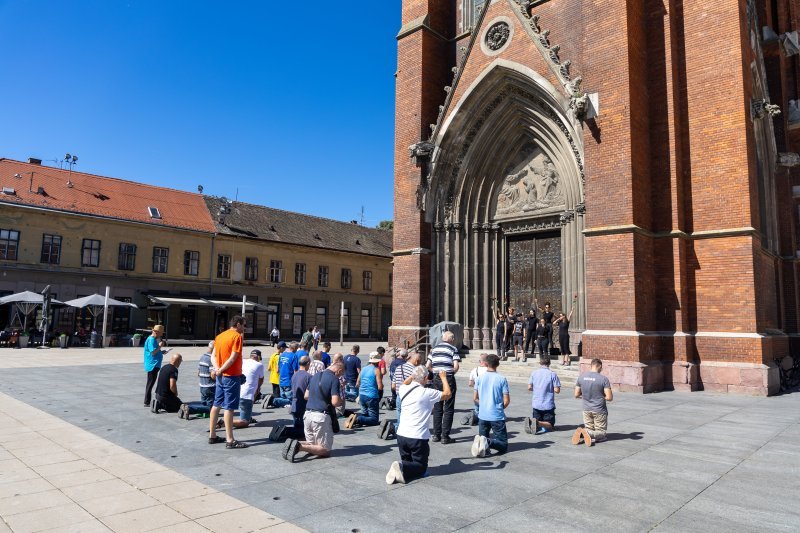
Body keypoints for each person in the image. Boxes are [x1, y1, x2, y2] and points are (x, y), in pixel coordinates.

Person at [386, 367, 452, 485]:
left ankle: (401, 469)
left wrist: (414, 375)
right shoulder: (427, 393)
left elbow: (404, 382)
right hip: (417, 437)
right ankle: (401, 466)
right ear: (426, 378)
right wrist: (443, 378)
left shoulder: (403, 389)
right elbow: (447, 394)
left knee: (409, 462)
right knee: (421, 468)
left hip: (401, 434)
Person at [282, 362, 343, 462]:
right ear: (339, 371)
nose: (341, 376)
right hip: (320, 417)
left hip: (307, 415)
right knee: (325, 450)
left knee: (312, 445)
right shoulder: (334, 379)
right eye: (341, 374)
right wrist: (340, 399)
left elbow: (306, 395)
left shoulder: (315, 376)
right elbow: (335, 402)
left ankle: (293, 443)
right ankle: (298, 446)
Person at [208, 316, 248, 449]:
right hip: (231, 376)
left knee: (216, 404)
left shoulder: (219, 336)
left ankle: (212, 435)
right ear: (238, 324)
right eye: (244, 325)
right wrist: (222, 369)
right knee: (229, 407)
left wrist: (217, 369)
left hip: (221, 376)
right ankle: (230, 440)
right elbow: (232, 358)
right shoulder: (237, 337)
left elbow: (213, 355)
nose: (244, 328)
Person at [471, 354, 510, 457]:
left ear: (486, 364)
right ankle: (488, 442)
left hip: (483, 414)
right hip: (496, 414)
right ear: (497, 364)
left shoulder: (479, 378)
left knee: (483, 438)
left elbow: (475, 398)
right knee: (503, 444)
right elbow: (506, 401)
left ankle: (484, 444)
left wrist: (483, 404)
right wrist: (499, 408)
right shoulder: (502, 379)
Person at [427, 331, 461, 444]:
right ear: (451, 339)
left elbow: (428, 365)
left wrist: (435, 372)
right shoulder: (453, 349)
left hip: (436, 378)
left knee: (437, 406)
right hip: (448, 378)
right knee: (449, 407)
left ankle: (436, 435)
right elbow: (456, 366)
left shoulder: (434, 349)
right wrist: (450, 373)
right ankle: (445, 436)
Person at [573, 358, 613, 447]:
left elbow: (576, 395)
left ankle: (586, 432)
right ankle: (586, 433)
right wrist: (601, 397)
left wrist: (584, 397)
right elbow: (609, 397)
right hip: (599, 409)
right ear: (600, 366)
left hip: (586, 408)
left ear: (591, 365)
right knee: (602, 433)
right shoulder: (603, 379)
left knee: (589, 427)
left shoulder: (581, 377)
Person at [346, 352, 383, 428]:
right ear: (377, 361)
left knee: (365, 414)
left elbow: (357, 384)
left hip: (362, 395)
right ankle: (357, 419)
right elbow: (380, 387)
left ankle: (356, 420)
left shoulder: (363, 369)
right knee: (374, 419)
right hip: (371, 396)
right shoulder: (376, 370)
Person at [526, 357, 561, 434]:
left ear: (540, 363)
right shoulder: (552, 374)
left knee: (537, 419)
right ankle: (538, 423)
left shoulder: (534, 373)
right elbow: (557, 390)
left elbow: (529, 387)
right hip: (548, 404)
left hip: (536, 403)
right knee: (550, 425)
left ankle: (534, 423)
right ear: (549, 364)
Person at [288, 355, 312, 438]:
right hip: (303, 405)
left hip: (294, 404)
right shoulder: (309, 377)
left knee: (296, 426)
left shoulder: (294, 375)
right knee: (302, 429)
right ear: (308, 363)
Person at [143, 324, 167, 407]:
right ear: (156, 332)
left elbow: (156, 351)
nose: (161, 335)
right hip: (152, 364)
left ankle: (147, 401)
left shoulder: (153, 339)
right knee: (150, 383)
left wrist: (161, 351)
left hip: (154, 364)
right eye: (161, 333)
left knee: (151, 382)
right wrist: (160, 346)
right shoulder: (151, 339)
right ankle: (146, 401)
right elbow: (153, 352)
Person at [239, 349, 265, 424]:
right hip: (247, 395)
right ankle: (225, 422)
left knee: (244, 408)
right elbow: (261, 379)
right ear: (258, 357)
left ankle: (248, 417)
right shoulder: (259, 365)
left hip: (238, 391)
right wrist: (258, 388)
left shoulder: (243, 361)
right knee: (244, 422)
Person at [272, 342, 299, 408]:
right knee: (291, 400)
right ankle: (272, 400)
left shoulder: (282, 355)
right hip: (289, 380)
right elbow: (295, 370)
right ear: (294, 348)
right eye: (297, 349)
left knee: (284, 399)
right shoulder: (294, 356)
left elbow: (277, 370)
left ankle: (275, 400)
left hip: (281, 380)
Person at [463, 353, 488, 425]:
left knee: (477, 408)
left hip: (477, 392)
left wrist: (476, 385)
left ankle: (474, 416)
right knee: (486, 407)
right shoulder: (489, 370)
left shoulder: (474, 370)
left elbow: (470, 384)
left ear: (480, 361)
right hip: (487, 392)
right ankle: (479, 419)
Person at [553, 300, 576, 366]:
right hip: (561, 336)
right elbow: (554, 323)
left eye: (561, 316)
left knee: (566, 347)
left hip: (566, 336)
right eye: (560, 316)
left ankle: (566, 361)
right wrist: (558, 319)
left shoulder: (567, 322)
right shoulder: (559, 322)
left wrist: (572, 310)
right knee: (562, 348)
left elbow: (570, 315)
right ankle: (563, 360)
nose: (560, 317)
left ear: (564, 316)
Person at [198, 341, 216, 409]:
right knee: (209, 405)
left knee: (203, 403)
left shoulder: (202, 357)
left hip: (202, 385)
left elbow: (199, 373)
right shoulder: (212, 359)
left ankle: (201, 412)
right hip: (210, 386)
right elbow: (213, 375)